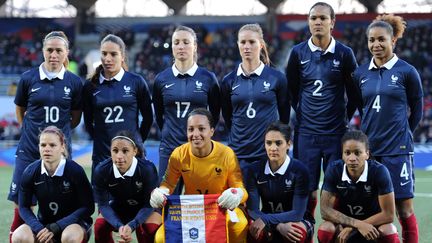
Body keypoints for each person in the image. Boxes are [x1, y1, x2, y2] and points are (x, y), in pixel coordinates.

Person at [353, 14, 423, 243]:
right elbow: (360, 109)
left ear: (393, 41)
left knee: (404, 209)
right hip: (370, 153)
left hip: (398, 150)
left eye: (381, 39)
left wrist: (404, 134)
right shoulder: (360, 73)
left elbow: (417, 109)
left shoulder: (407, 71)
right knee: (375, 212)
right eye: (371, 40)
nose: (376, 45)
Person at [285, 2, 358, 220]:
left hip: (335, 134)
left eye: (323, 18)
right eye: (313, 18)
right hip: (306, 134)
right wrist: (304, 113)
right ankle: (306, 228)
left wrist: (342, 118)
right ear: (308, 22)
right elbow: (292, 90)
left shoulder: (345, 54)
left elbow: (353, 94)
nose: (318, 22)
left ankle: (332, 230)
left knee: (336, 188)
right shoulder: (297, 53)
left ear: (332, 22)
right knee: (306, 188)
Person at [8, 30, 83, 241]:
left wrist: (58, 139)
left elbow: (75, 118)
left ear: (66, 52)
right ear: (43, 51)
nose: (53, 55)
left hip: (60, 153)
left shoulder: (74, 83)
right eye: (49, 50)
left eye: (59, 50)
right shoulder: (28, 78)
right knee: (22, 205)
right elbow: (20, 110)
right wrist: (32, 133)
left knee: (62, 202)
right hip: (29, 149)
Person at [150, 108, 248, 243]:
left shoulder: (227, 154)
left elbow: (241, 188)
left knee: (239, 225)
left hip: (221, 209)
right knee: (160, 238)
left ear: (212, 131)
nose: (195, 134)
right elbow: (168, 184)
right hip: (192, 210)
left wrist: (236, 194)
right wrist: (160, 192)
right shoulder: (178, 154)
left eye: (201, 129)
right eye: (191, 129)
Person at [152, 25, 220, 188]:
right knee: (166, 204)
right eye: (176, 42)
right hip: (170, 150)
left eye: (185, 42)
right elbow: (159, 114)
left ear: (195, 46)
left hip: (200, 150)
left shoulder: (208, 78)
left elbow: (215, 115)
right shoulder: (161, 79)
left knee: (201, 204)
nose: (181, 46)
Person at [220, 23, 290, 178]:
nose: (246, 46)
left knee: (270, 202)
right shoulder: (228, 81)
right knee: (243, 202)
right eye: (243, 42)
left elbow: (284, 118)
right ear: (238, 44)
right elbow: (228, 117)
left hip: (268, 153)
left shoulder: (277, 78)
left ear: (261, 45)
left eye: (251, 42)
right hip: (238, 153)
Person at [83, 34, 153, 180]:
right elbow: (88, 122)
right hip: (102, 155)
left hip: (132, 155)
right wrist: (100, 140)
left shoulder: (136, 81)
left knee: (135, 201)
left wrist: (137, 140)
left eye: (113, 54)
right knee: (102, 202)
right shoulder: (90, 86)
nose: (107, 59)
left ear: (122, 56)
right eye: (104, 54)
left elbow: (148, 118)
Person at [11, 126, 94, 243]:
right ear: (39, 147)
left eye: (52, 145)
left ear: (62, 147)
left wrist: (58, 226)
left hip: (74, 224)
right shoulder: (30, 172)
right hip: (44, 225)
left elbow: (88, 207)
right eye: (43, 145)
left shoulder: (75, 171)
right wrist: (38, 228)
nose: (47, 149)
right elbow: (23, 207)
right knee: (19, 236)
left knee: (70, 237)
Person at [318, 130, 399, 243]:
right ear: (342, 154)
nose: (352, 158)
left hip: (372, 226)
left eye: (357, 153)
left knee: (388, 230)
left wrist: (355, 227)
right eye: (347, 153)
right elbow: (325, 210)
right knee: (326, 229)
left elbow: (389, 215)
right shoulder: (334, 169)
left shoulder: (379, 171)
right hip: (343, 227)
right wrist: (357, 224)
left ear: (367, 154)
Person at [246, 122, 313, 243]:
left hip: (298, 219)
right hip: (268, 218)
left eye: (278, 143)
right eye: (269, 143)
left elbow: (297, 213)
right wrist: (277, 225)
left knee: (295, 231)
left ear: (288, 144)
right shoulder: (254, 170)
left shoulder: (300, 170)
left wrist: (267, 220)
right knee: (253, 228)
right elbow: (252, 210)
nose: (273, 148)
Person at [93, 130, 161, 243]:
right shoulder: (101, 170)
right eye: (115, 151)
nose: (119, 156)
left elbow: (149, 204)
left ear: (135, 151)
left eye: (125, 151)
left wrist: (132, 225)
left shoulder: (147, 169)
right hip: (121, 206)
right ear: (110, 151)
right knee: (100, 226)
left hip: (146, 207)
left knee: (149, 227)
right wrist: (120, 226)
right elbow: (103, 205)